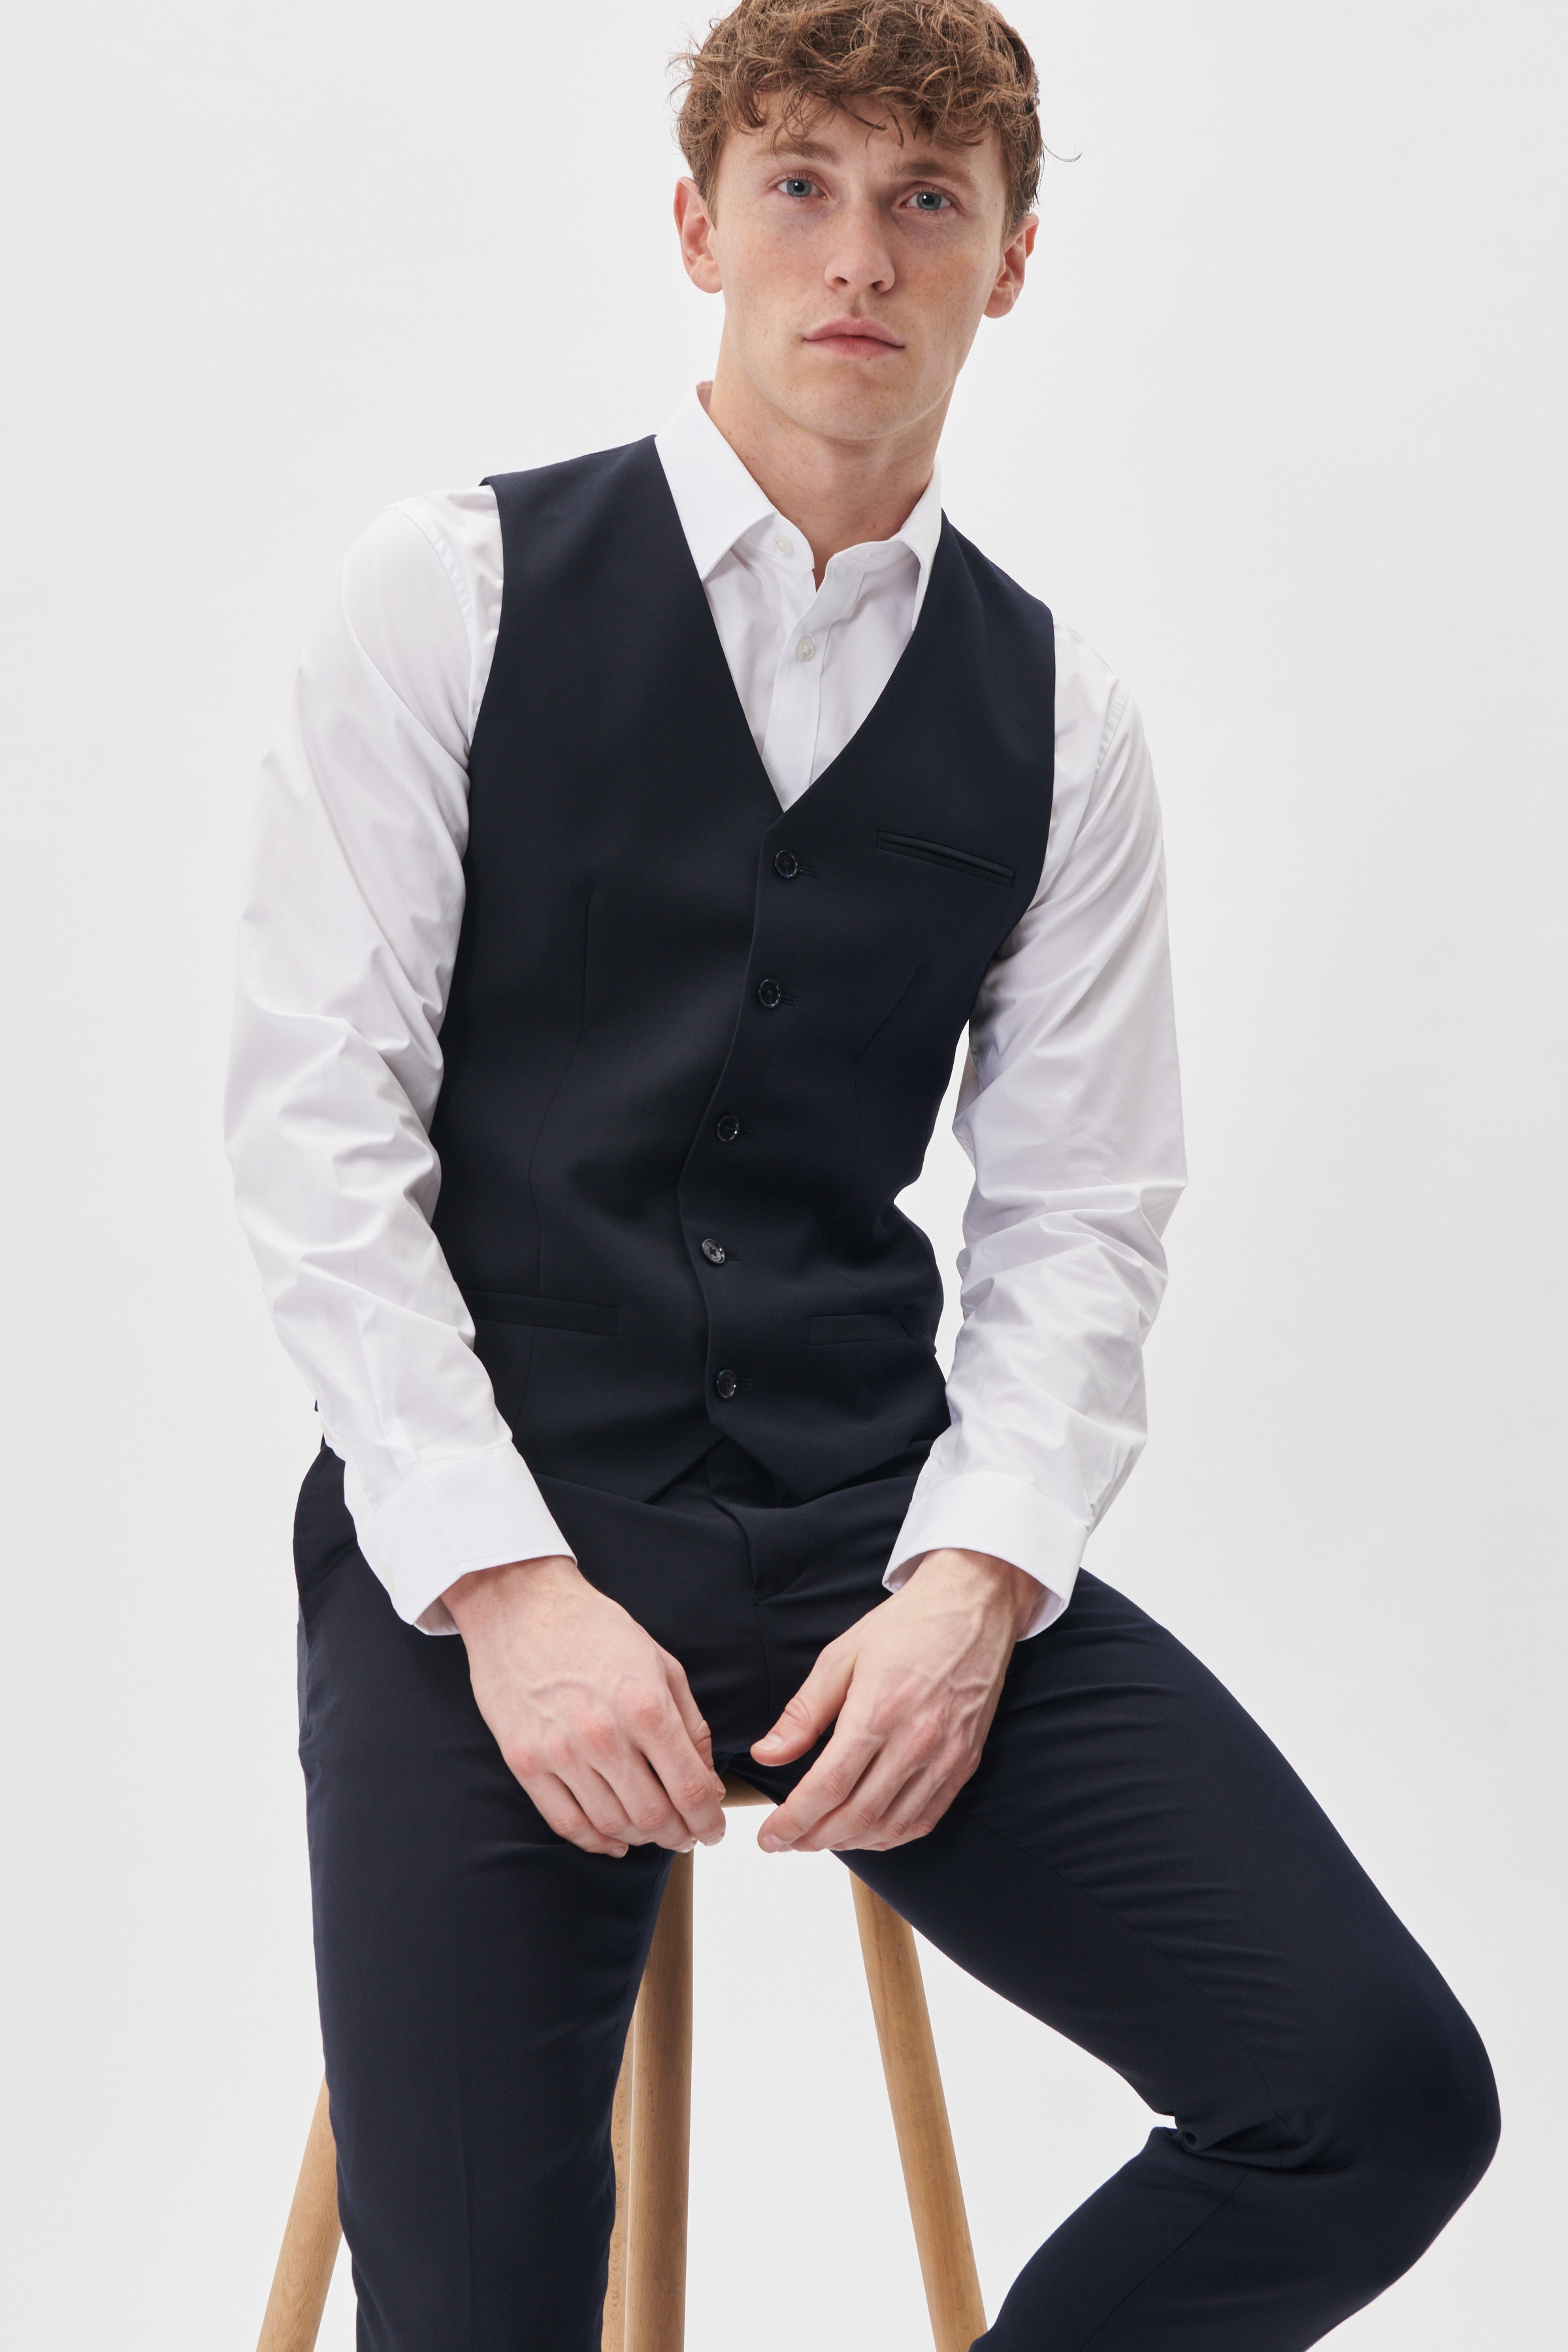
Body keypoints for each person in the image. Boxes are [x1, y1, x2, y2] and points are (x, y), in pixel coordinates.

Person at [225, 5, 1497, 2345]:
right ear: (696, 223)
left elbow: (1081, 1215)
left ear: (1010, 262)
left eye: (929, 201)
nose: (859, 256)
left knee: (1373, 2095)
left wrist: (974, 1584)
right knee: (482, 2313)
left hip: (866, 1537)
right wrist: (504, 1585)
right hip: (482, 1541)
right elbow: (318, 1131)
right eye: (801, 185)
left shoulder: (1062, 718)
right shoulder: (452, 591)